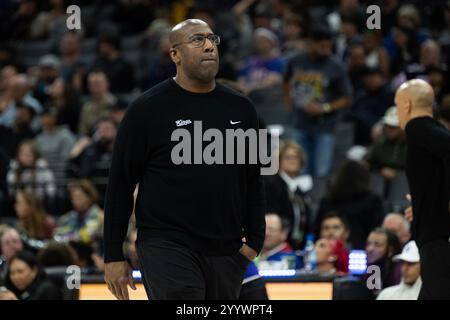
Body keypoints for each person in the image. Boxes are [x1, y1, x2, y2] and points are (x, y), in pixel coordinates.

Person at [103, 19, 265, 300]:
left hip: (227, 250)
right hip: (166, 245)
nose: (208, 46)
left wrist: (254, 242)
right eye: (197, 40)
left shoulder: (243, 108)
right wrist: (113, 254)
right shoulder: (146, 109)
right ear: (174, 54)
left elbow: (254, 180)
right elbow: (120, 184)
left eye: (212, 39)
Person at [395, 78, 450, 299]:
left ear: (406, 105)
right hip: (435, 240)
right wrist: (422, 204)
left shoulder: (418, 128)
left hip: (439, 242)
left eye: (397, 105)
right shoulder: (431, 130)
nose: (397, 112)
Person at [283, 25, 352, 177]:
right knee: (299, 171)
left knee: (321, 172)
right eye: (322, 46)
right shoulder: (296, 61)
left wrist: (324, 108)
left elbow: (347, 98)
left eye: (329, 46)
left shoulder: (336, 66)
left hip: (324, 126)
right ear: (311, 43)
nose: (326, 50)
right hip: (299, 123)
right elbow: (286, 82)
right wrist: (290, 105)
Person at [315, 160, 384, 249]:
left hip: (328, 250)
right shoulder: (372, 201)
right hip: (362, 250)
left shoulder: (327, 201)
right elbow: (376, 229)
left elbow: (316, 228)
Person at [264, 140, 312, 249]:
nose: (293, 161)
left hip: (297, 246)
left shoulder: (299, 191)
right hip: (275, 245)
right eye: (288, 157)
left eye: (296, 157)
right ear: (279, 161)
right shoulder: (270, 184)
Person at [54, 179, 104, 244]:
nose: (76, 201)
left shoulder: (100, 216)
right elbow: (57, 233)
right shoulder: (68, 217)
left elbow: (88, 236)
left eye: (79, 198)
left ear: (90, 198)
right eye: (73, 198)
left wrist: (69, 238)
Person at [365, 228, 402, 292]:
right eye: (368, 244)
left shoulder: (399, 271)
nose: (370, 249)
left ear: (391, 250)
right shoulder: (369, 268)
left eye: (377, 245)